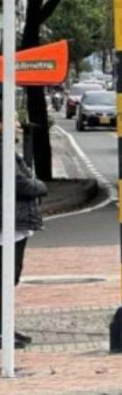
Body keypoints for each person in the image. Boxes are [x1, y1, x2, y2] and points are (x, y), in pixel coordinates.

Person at [0, 119, 46, 349]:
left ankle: (6, 327)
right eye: (12, 120)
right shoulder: (3, 150)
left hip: (15, 223)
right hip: (8, 224)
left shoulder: (7, 149)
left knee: (10, 277)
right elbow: (21, 183)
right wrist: (40, 186)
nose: (18, 124)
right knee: (6, 276)